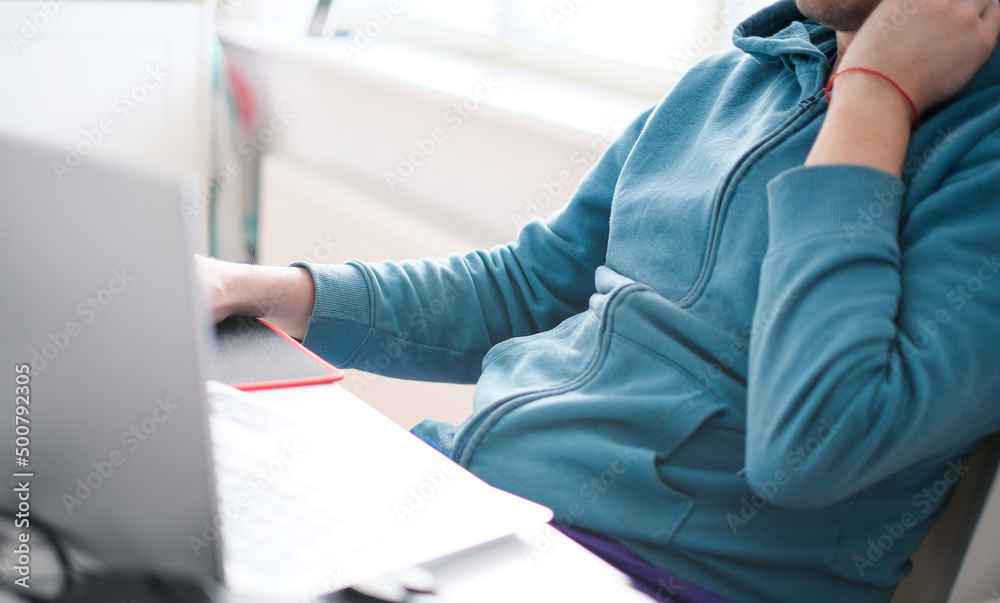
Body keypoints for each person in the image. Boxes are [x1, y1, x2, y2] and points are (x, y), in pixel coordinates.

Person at [198, 0, 1000, 600]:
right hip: (464, 504)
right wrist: (268, 290)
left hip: (639, 573)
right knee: (172, 529)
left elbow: (812, 445)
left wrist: (871, 98)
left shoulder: (981, 162)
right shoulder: (733, 81)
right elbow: (531, 286)